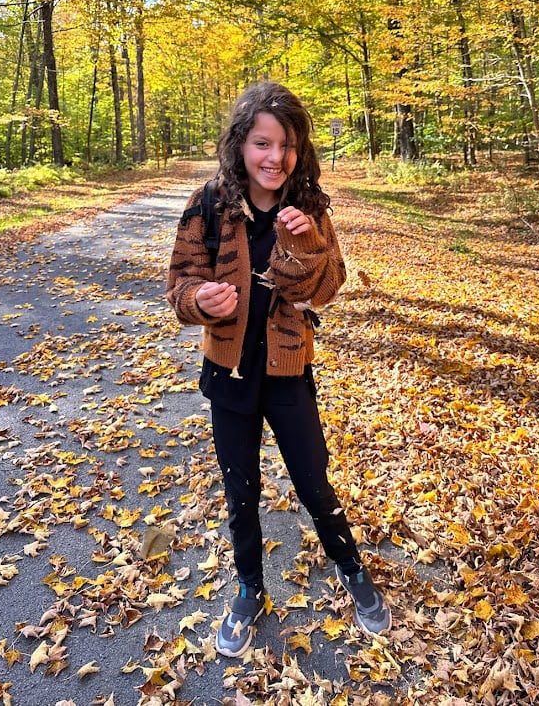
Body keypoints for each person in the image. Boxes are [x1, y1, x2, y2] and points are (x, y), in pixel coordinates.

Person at [166, 81, 391, 658]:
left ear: (301, 151)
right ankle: (248, 588)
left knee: (315, 481)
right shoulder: (209, 204)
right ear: (241, 144)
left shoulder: (310, 210)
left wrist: (308, 245)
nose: (275, 157)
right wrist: (199, 301)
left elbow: (326, 288)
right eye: (263, 143)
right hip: (229, 374)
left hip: (290, 373)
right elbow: (180, 283)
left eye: (287, 145)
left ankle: (350, 567)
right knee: (240, 491)